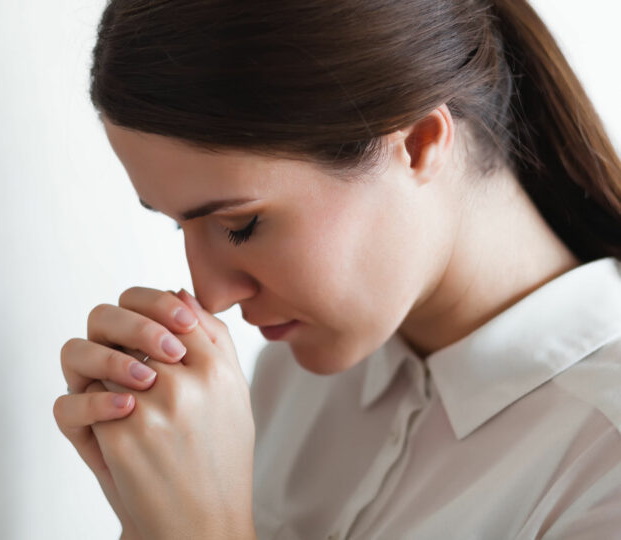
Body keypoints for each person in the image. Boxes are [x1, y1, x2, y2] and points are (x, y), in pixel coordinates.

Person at [53, 0, 621, 538]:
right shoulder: (285, 382)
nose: (212, 295)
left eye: (241, 225)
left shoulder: (604, 459)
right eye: (180, 226)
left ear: (420, 142)